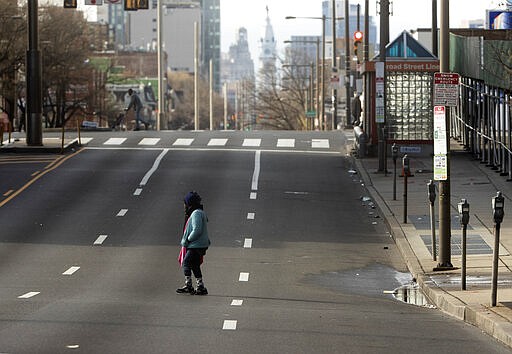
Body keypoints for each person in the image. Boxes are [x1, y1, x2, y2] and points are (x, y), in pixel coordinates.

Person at [177, 191, 210, 295]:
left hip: (196, 244)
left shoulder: (196, 213)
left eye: (185, 204)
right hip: (200, 244)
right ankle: (200, 286)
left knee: (186, 263)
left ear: (190, 204)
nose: (184, 206)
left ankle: (188, 285)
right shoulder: (199, 212)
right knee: (195, 264)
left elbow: (197, 230)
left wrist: (188, 240)